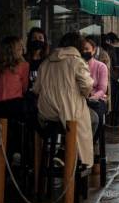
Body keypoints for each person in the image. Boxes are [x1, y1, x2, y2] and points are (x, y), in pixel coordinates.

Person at [35, 32, 95, 168]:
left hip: (46, 112)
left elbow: (36, 88)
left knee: (60, 123)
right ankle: (76, 158)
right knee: (95, 118)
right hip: (70, 113)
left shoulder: (46, 62)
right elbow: (87, 87)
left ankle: (61, 151)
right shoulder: (77, 62)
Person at [0, 36, 29, 118]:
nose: (22, 48)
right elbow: (25, 87)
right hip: (14, 106)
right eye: (20, 46)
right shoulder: (24, 65)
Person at [82, 37, 109, 136]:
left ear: (93, 50)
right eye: (82, 49)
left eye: (86, 49)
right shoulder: (75, 66)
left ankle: (93, 140)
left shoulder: (101, 67)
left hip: (95, 99)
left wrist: (93, 97)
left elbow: (102, 89)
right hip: (79, 99)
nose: (84, 51)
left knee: (98, 116)